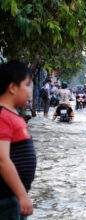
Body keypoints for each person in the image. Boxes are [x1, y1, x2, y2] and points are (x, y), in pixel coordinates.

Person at [0, 61, 36, 218]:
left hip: (13, 196)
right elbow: (2, 159)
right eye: (27, 85)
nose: (30, 91)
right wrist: (22, 195)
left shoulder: (12, 114)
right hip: (6, 198)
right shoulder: (3, 116)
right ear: (13, 87)